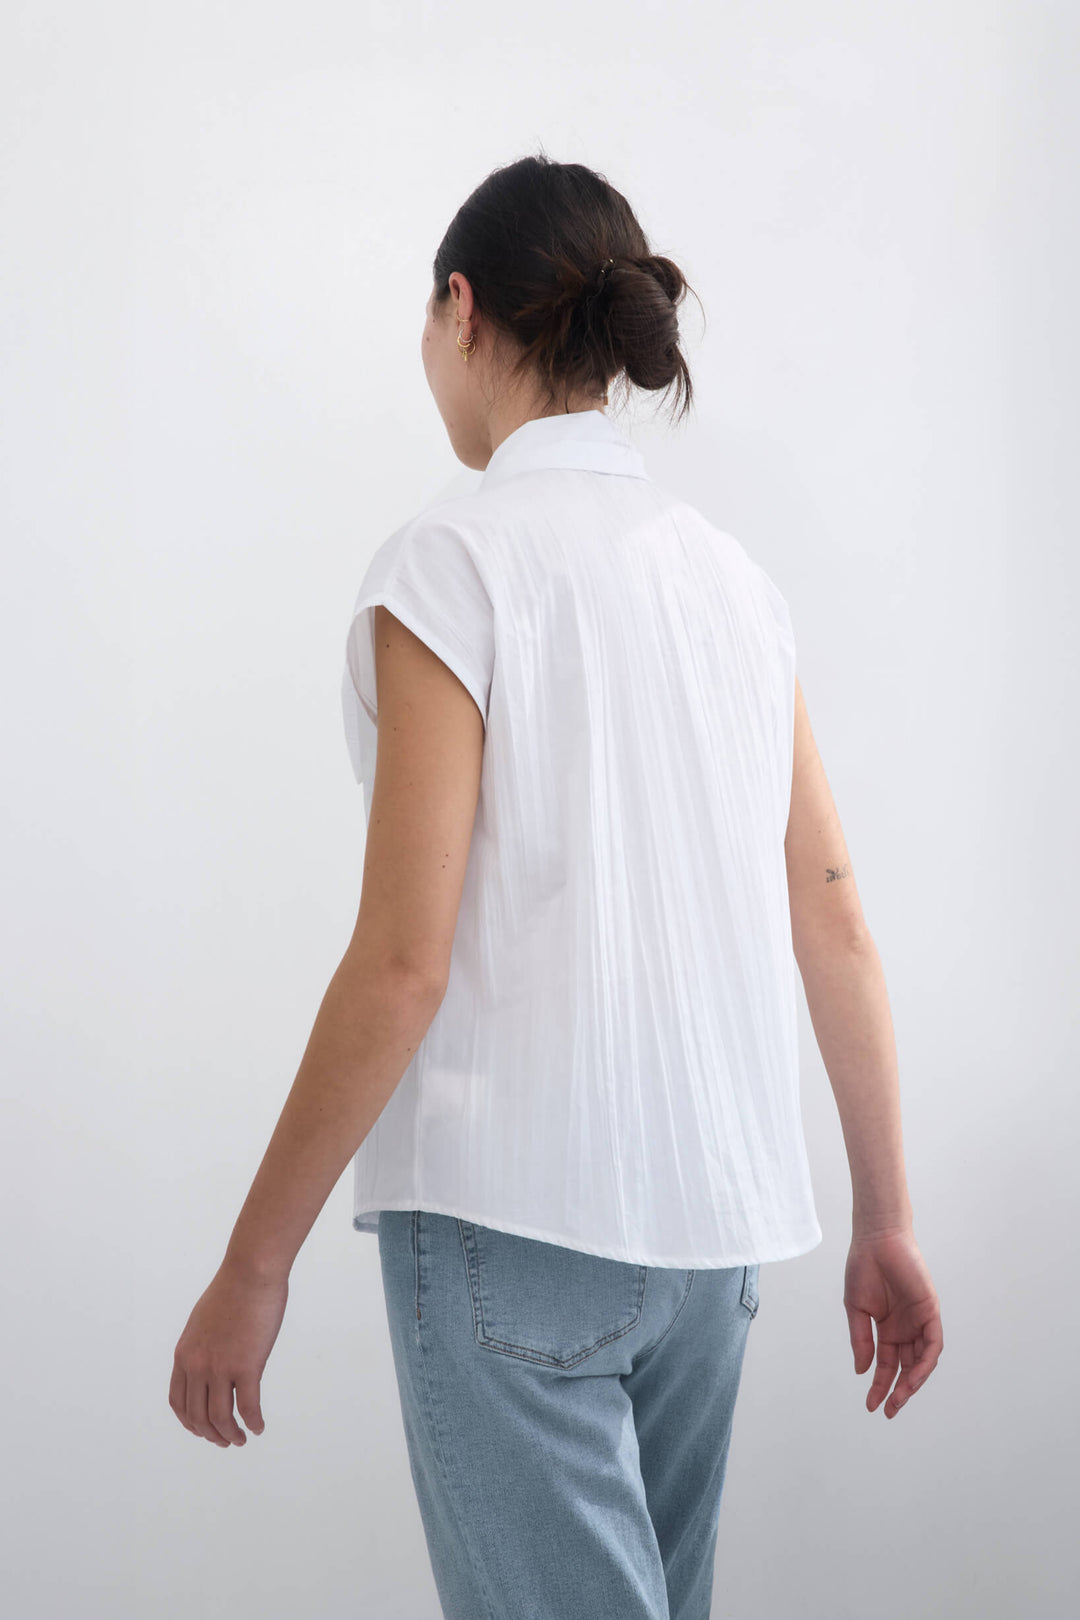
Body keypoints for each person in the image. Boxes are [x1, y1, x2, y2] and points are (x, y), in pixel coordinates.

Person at [170, 153, 944, 1619]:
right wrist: (886, 1216)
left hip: (507, 1226)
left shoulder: (449, 565)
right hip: (713, 1246)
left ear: (460, 311)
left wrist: (252, 1266)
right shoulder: (732, 585)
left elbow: (404, 963)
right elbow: (831, 908)